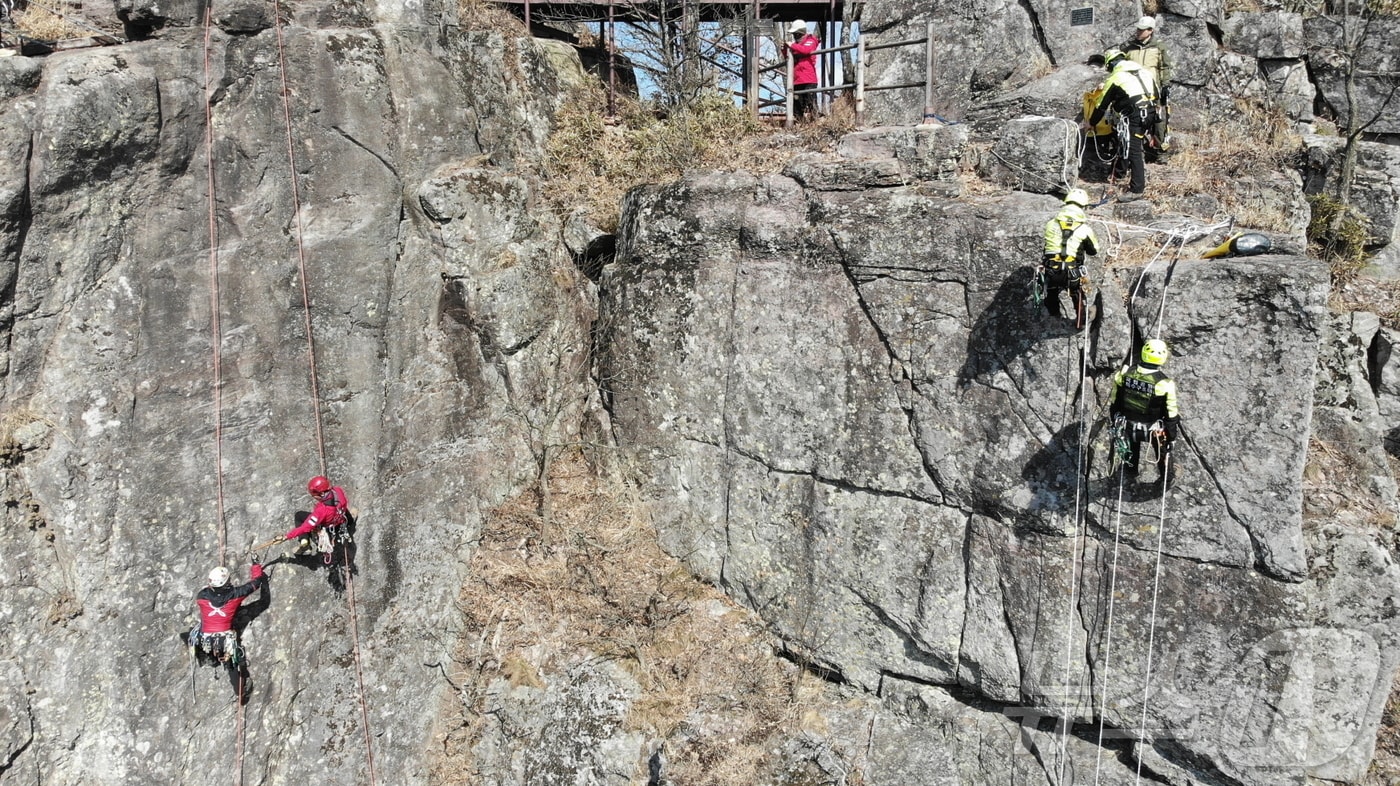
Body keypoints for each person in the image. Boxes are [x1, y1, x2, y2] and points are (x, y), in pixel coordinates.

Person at [1082, 48, 1157, 201]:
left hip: (1134, 115)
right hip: (1150, 113)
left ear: (1110, 64)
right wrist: (1156, 131)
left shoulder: (1116, 77)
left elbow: (1101, 105)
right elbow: (1158, 96)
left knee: (1134, 151)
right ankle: (1119, 173)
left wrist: (1091, 123)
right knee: (1125, 142)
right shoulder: (1144, 72)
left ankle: (1137, 190)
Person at [1108, 339, 1181, 481]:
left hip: (1127, 424)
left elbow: (1115, 400)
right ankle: (1167, 476)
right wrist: (1171, 436)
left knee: (1131, 447)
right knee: (1162, 449)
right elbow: (1171, 412)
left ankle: (1130, 471)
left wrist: (1114, 419)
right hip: (1152, 428)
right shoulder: (1164, 384)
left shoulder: (1124, 374)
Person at [191, 561, 267, 694]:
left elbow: (213, 599)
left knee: (187, 634)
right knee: (231, 664)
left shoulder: (201, 596)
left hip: (204, 638)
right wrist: (256, 567)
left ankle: (206, 656)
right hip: (224, 639)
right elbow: (256, 583)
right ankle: (240, 691)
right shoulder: (236, 594)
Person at [1040, 188, 1099, 328]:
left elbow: (1048, 245)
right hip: (1071, 273)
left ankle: (1053, 313)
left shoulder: (1050, 224)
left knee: (1052, 287)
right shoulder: (1085, 229)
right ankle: (1081, 320)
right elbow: (1094, 251)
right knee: (1077, 291)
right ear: (1083, 207)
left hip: (1051, 270)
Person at [1122, 16, 1173, 153]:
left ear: (1150, 30)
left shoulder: (1159, 47)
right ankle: (1135, 150)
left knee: (1157, 120)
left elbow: (1165, 67)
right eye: (1138, 29)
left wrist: (1165, 85)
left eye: (1142, 30)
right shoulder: (1128, 48)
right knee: (1134, 118)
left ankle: (1160, 150)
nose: (1138, 32)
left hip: (1152, 90)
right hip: (1133, 90)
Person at [277, 475, 352, 559]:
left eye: (314, 495)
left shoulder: (321, 511)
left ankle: (304, 543)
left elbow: (305, 527)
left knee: (299, 516)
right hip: (340, 519)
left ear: (321, 494)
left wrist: (286, 537)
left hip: (328, 527)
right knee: (341, 507)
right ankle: (351, 521)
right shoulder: (338, 491)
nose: (313, 497)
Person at [786, 20, 820, 122]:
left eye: (796, 34)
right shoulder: (796, 44)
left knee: (811, 103)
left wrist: (792, 46)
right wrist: (785, 49)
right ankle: (800, 124)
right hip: (796, 79)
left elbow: (807, 50)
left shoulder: (811, 40)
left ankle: (815, 123)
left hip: (808, 79)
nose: (794, 36)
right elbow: (787, 58)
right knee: (797, 105)